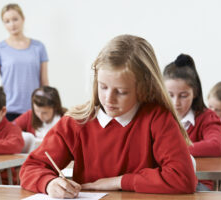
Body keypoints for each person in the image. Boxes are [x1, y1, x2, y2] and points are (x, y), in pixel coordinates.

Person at [20, 35, 196, 198]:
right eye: (103, 87)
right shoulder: (76, 122)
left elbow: (183, 178)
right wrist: (49, 183)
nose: (108, 99)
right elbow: (31, 168)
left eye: (121, 92)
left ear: (144, 87)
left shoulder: (158, 119)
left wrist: (118, 182)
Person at [163, 54, 221, 190]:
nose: (176, 103)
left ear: (195, 93)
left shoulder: (207, 117)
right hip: (165, 182)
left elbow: (217, 146)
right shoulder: (158, 118)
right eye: (170, 95)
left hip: (197, 183)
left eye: (183, 96)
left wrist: (174, 150)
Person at [0, 3, 49, 121]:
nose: (12, 24)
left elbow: (44, 82)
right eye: (7, 21)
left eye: (15, 19)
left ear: (23, 19)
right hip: (8, 110)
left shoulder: (38, 47)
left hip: (35, 111)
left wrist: (47, 107)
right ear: (4, 24)